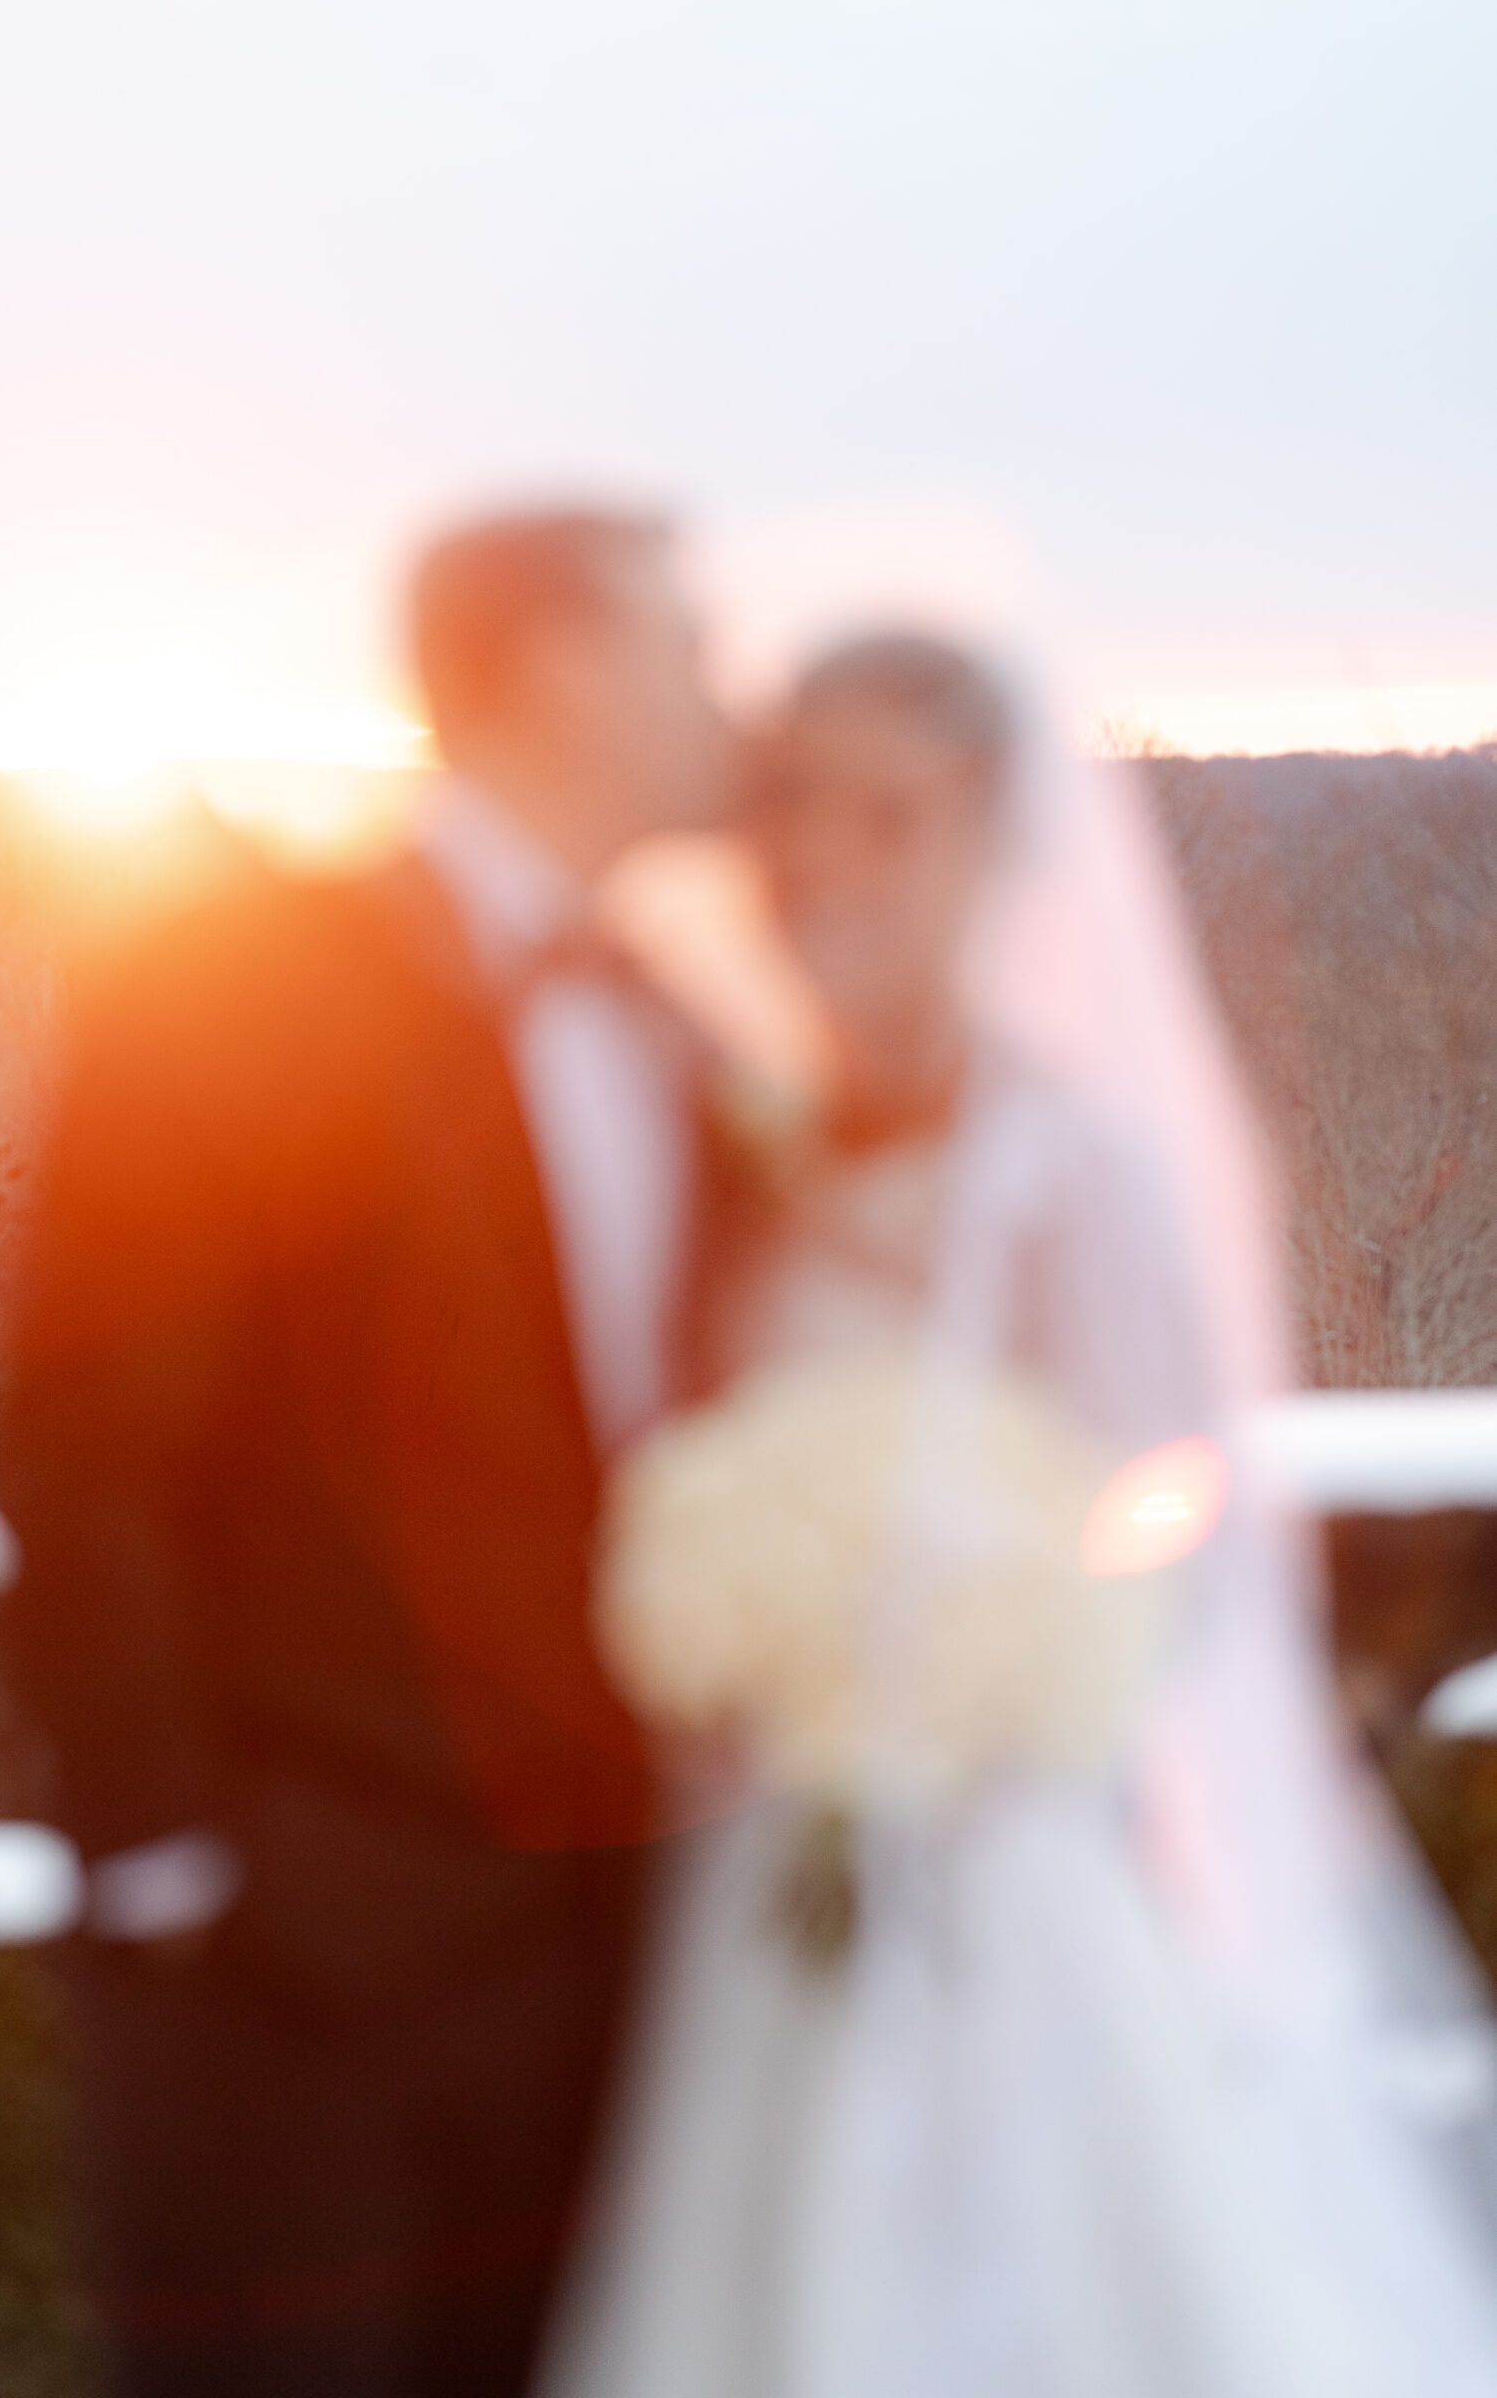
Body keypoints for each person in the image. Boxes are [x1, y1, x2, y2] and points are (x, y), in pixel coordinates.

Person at [538, 633, 1497, 2398]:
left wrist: (1002, 1646)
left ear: (994, 849)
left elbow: (1178, 1514)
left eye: (889, 813)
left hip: (1017, 1881)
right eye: (788, 802)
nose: (825, 852)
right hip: (746, 1899)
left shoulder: (1073, 1169)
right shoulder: (733, 1149)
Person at [0, 508, 734, 2395]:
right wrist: (180, 1868)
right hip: (314, 1967)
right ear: (556, 669)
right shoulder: (240, 978)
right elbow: (87, 1438)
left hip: (646, 1961)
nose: (717, 692)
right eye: (679, 646)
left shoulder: (689, 1013)